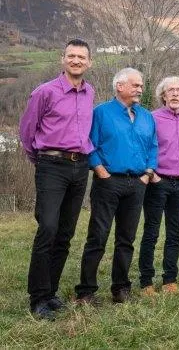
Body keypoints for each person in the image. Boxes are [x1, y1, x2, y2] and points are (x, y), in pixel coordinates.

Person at [20, 39, 94, 320]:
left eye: (81, 57)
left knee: (65, 233)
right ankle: (38, 297)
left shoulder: (89, 92)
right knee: (48, 228)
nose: (76, 61)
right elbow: (27, 131)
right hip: (51, 165)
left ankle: (50, 292)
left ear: (89, 62)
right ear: (63, 59)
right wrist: (40, 160)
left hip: (80, 166)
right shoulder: (45, 92)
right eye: (71, 56)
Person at [75, 68, 158, 304]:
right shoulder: (101, 113)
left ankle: (121, 288)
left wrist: (148, 173)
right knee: (98, 237)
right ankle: (86, 291)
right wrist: (100, 170)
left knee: (126, 239)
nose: (140, 89)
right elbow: (89, 144)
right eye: (135, 85)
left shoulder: (147, 117)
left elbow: (153, 147)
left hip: (137, 183)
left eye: (141, 85)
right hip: (108, 182)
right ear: (119, 86)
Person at [139, 77, 179, 296]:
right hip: (157, 182)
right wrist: (152, 175)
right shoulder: (152, 118)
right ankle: (146, 282)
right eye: (170, 90)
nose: (175, 94)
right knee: (151, 233)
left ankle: (170, 280)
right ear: (163, 95)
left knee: (175, 234)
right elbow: (144, 147)